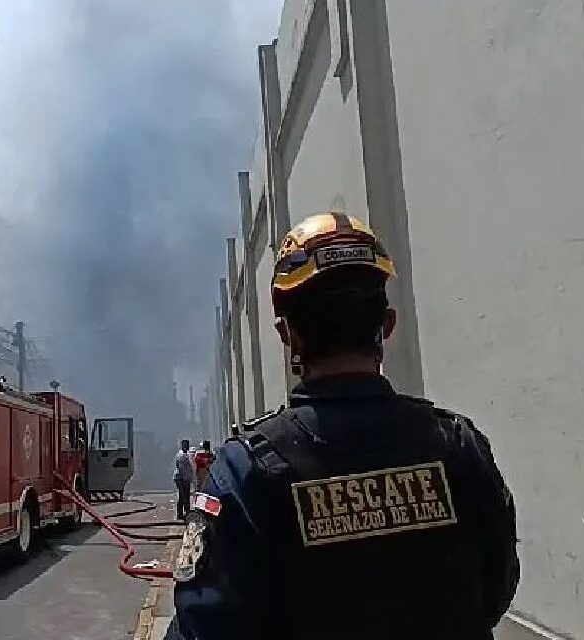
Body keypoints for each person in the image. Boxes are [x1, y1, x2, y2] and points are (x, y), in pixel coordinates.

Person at [170, 213, 519, 640]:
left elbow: (204, 627)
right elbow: (497, 588)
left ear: (288, 336)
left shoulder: (244, 473)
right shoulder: (459, 447)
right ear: (386, 327)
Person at [173, 439, 195, 520]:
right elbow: (181, 468)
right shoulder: (181, 455)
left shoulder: (187, 454)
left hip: (185, 478)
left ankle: (185, 512)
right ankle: (182, 513)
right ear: (182, 446)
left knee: (185, 495)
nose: (185, 446)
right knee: (183, 495)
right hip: (180, 478)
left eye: (186, 445)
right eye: (184, 445)